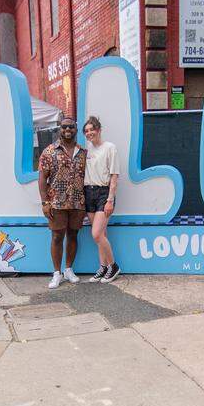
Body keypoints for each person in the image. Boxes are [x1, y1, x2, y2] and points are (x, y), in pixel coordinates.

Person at [38, 116, 87, 289]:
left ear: (76, 129)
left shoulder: (83, 152)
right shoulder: (49, 151)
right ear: (60, 128)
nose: (68, 130)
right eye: (64, 127)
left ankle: (68, 269)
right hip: (56, 203)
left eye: (71, 127)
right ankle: (57, 273)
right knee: (57, 236)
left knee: (73, 235)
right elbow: (43, 179)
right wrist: (45, 202)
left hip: (77, 202)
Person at [82, 116, 121, 282]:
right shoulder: (86, 150)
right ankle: (103, 267)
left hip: (103, 193)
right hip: (88, 192)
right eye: (87, 131)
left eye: (92, 129)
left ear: (99, 130)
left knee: (96, 234)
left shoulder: (109, 148)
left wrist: (110, 200)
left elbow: (114, 176)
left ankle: (113, 266)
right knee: (102, 234)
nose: (89, 133)